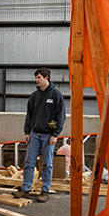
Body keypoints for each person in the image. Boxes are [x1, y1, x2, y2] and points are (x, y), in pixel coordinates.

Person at [13, 67, 66, 203]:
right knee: (29, 162)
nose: (36, 80)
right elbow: (29, 115)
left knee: (47, 164)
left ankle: (45, 190)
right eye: (36, 77)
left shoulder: (56, 95)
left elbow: (61, 117)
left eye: (39, 77)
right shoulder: (34, 96)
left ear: (46, 78)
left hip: (49, 136)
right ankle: (25, 189)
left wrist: (55, 134)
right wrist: (27, 132)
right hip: (35, 135)